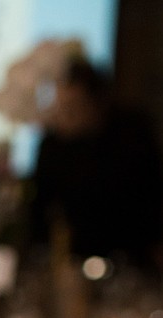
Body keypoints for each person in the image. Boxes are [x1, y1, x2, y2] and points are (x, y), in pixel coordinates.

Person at [27, 57, 163, 273]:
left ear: (98, 103)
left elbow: (151, 200)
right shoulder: (52, 143)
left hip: (132, 256)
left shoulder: (132, 135)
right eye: (60, 107)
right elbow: (39, 209)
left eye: (73, 108)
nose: (63, 118)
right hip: (76, 258)